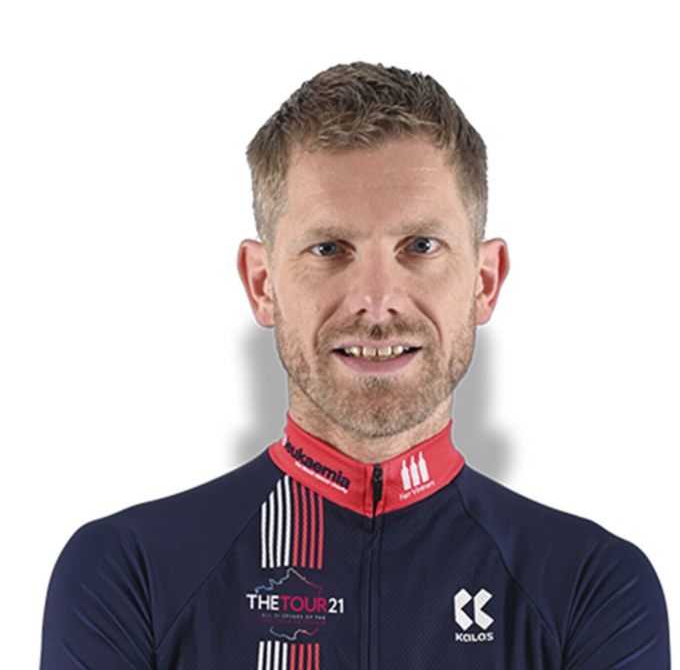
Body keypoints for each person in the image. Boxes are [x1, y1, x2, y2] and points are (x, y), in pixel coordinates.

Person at [40, 62, 670, 669]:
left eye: (420, 246)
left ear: (485, 280)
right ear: (262, 284)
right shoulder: (129, 576)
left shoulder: (592, 588)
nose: (376, 300)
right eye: (328, 248)